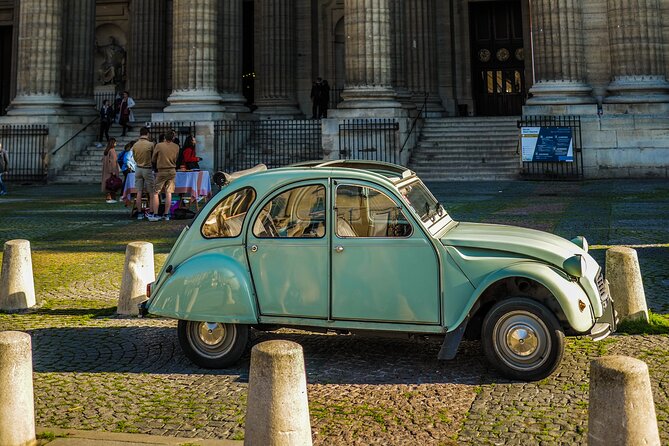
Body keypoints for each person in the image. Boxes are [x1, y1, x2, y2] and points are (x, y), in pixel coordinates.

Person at [149, 129, 180, 221]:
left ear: (165, 137)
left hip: (162, 170)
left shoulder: (159, 145)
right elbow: (176, 158)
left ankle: (155, 214)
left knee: (156, 192)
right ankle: (166, 214)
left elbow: (153, 158)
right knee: (169, 193)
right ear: (173, 137)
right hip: (172, 170)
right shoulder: (176, 146)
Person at [131, 127, 156, 220]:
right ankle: (152, 212)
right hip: (147, 168)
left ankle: (139, 213)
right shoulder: (150, 144)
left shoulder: (135, 145)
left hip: (138, 168)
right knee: (151, 192)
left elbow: (134, 157)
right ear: (147, 134)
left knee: (139, 191)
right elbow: (153, 158)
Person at [101, 138, 120, 203]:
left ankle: (108, 198)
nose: (116, 144)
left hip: (106, 169)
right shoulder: (112, 150)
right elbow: (113, 162)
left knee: (108, 184)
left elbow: (103, 160)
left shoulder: (106, 150)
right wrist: (113, 171)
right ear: (112, 143)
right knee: (112, 184)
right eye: (115, 142)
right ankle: (111, 198)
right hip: (111, 170)